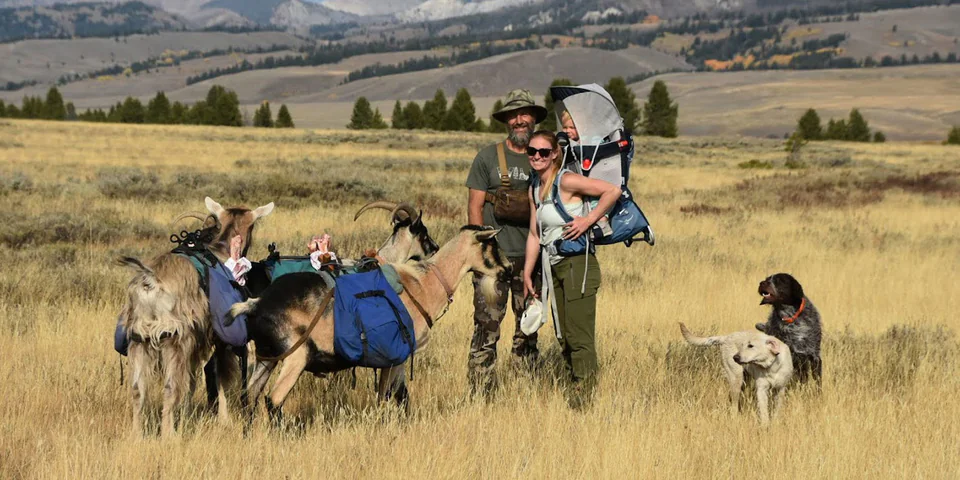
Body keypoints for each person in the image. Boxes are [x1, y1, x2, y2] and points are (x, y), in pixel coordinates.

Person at [522, 130, 621, 407]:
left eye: (543, 152)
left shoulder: (565, 180)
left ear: (555, 153)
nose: (537, 157)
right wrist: (527, 272)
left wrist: (587, 220)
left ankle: (583, 400)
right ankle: (573, 392)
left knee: (579, 336)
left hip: (578, 264)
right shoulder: (534, 188)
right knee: (564, 335)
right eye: (532, 151)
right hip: (553, 266)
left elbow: (612, 191)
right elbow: (534, 234)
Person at [464, 89, 548, 394]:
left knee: (528, 327)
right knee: (486, 327)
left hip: (531, 260)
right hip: (493, 261)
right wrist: (481, 255)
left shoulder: (545, 156)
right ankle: (480, 393)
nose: (520, 119)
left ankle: (525, 390)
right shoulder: (487, 157)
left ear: (535, 119)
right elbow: (474, 207)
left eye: (526, 114)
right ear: (506, 121)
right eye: (514, 114)